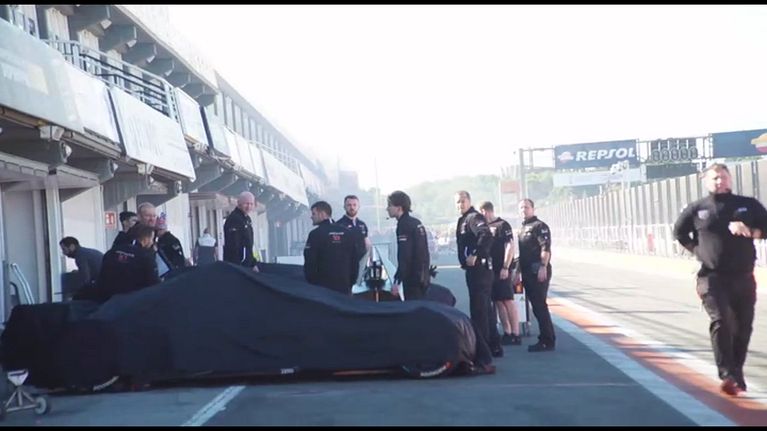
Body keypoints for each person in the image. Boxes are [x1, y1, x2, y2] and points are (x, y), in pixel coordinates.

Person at [673, 163, 767, 396]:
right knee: (722, 320)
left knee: (743, 327)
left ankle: (737, 371)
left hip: (743, 276)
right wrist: (697, 250)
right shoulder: (698, 209)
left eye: (723, 177)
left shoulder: (748, 204)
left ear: (730, 179)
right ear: (706, 181)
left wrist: (751, 231)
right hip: (711, 277)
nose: (719, 181)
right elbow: (679, 232)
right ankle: (727, 374)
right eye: (714, 178)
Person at [455, 191, 503, 358]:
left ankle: (482, 350)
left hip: (480, 270)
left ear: (469, 201)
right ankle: (494, 346)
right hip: (474, 270)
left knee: (479, 311)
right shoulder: (464, 219)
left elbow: (486, 235)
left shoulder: (473, 217)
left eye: (463, 201)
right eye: (457, 202)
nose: (460, 204)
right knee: (485, 309)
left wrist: (476, 254)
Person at [513, 198, 555, 352]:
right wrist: (517, 271)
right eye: (521, 207)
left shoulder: (539, 226)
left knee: (539, 305)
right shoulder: (522, 228)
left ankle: (547, 340)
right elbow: (523, 254)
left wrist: (543, 266)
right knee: (536, 307)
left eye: (526, 207)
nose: (524, 210)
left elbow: (545, 247)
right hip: (526, 271)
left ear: (533, 209)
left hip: (538, 270)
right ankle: (546, 337)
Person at [77, 224, 160, 303]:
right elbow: (154, 285)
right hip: (132, 303)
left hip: (105, 301)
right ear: (145, 239)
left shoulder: (112, 251)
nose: (152, 242)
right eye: (152, 239)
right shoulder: (145, 257)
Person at [479, 201, 522, 346]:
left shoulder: (502, 225)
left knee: (507, 300)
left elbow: (510, 246)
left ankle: (516, 333)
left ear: (485, 211)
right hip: (490, 270)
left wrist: (506, 266)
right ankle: (507, 332)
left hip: (502, 269)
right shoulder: (484, 227)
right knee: (498, 302)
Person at [303, 201, 362, 295]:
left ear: (322, 214)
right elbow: (355, 260)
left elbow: (310, 261)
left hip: (322, 290)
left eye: (314, 213)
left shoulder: (315, 234)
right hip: (344, 287)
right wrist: (351, 282)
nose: (311, 217)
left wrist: (312, 283)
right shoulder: (348, 233)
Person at [386, 191, 431, 300]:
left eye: (390, 205)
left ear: (399, 208)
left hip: (412, 278)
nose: (387, 208)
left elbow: (405, 255)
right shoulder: (416, 222)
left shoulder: (404, 225)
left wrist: (397, 280)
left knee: (412, 307)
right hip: (423, 275)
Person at [223, 191, 260, 272]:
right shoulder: (234, 219)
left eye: (251, 204)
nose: (249, 206)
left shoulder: (247, 219)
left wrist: (253, 263)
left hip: (246, 264)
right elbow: (234, 245)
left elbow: (248, 245)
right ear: (239, 203)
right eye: (246, 203)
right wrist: (239, 266)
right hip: (238, 266)